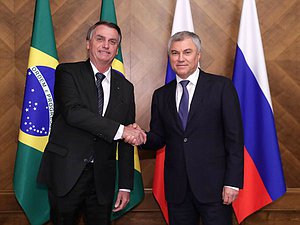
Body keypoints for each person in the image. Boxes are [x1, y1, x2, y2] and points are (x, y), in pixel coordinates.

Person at [37, 21, 146, 225]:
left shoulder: (126, 87)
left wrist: (125, 185)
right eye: (100, 39)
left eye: (112, 42)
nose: (106, 45)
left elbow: (126, 142)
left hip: (102, 181)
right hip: (66, 174)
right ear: (88, 43)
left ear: (117, 49)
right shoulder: (67, 72)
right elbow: (74, 113)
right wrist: (122, 130)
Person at [137, 31, 244, 225]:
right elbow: (159, 137)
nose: (180, 58)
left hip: (216, 188)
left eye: (187, 52)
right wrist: (141, 137)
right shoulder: (161, 95)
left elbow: (234, 139)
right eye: (175, 53)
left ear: (198, 55)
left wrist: (232, 182)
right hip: (178, 191)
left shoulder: (221, 87)